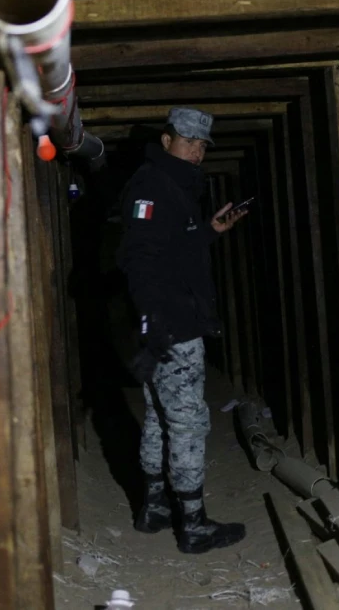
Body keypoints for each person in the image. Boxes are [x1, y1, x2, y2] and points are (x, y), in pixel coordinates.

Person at [116, 107, 249, 554]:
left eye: (202, 145)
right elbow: (141, 259)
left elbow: (172, 248)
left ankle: (155, 508)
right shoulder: (153, 185)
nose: (196, 151)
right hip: (172, 326)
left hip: (164, 323)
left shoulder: (172, 185)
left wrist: (209, 231)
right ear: (167, 139)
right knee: (188, 423)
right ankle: (193, 524)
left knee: (159, 417)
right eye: (188, 141)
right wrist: (157, 326)